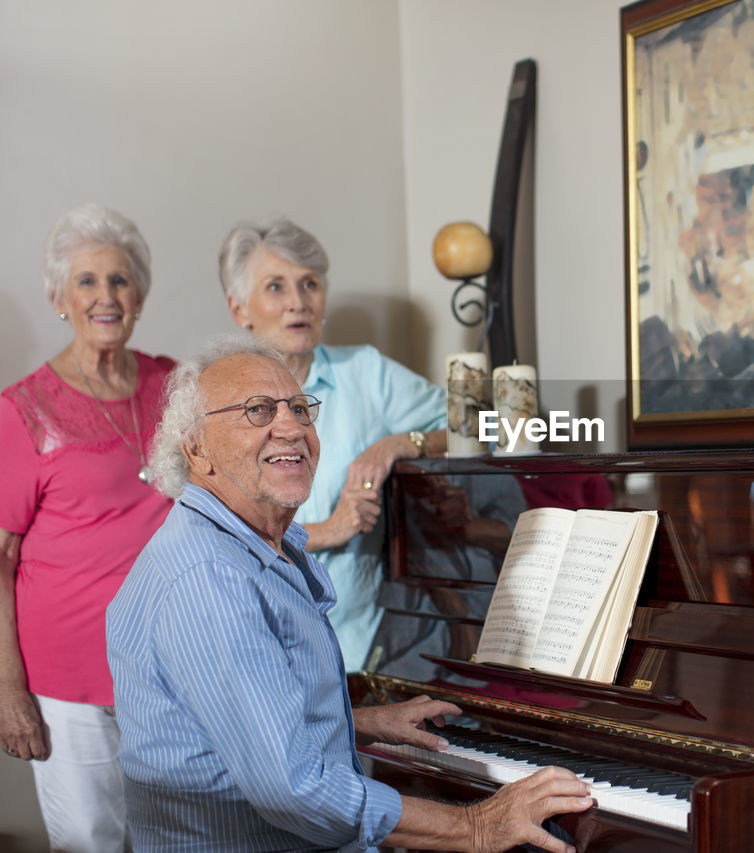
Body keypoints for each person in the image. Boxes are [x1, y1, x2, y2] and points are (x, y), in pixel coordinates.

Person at [106, 337, 592, 852]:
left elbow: (236, 727)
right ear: (196, 449)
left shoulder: (240, 544)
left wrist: (359, 722)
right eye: (258, 411)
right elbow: (294, 791)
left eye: (299, 408)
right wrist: (477, 826)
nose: (292, 427)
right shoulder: (211, 580)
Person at [0, 203, 174, 852]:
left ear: (141, 296)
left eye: (121, 280)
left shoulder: (169, 383)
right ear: (58, 299)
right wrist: (7, 689)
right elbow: (0, 558)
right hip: (67, 675)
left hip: (166, 666)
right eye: (87, 281)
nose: (106, 296)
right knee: (92, 842)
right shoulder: (22, 410)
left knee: (174, 838)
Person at [218, 217, 447, 671]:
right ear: (240, 309)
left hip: (368, 649)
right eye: (276, 287)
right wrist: (330, 530)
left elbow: (487, 426)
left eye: (310, 284)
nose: (298, 302)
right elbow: (220, 541)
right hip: (262, 649)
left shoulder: (366, 372)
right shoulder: (218, 402)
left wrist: (399, 443)